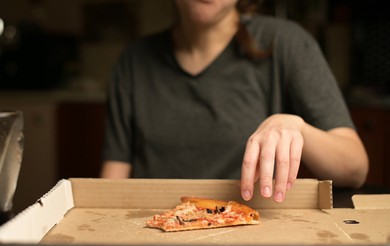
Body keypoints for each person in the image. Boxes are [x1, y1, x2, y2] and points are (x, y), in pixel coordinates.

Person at [100, 0, 369, 203]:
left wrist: (297, 127)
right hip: (154, 235)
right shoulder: (133, 61)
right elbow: (110, 186)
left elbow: (355, 168)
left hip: (250, 235)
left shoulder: (287, 43)